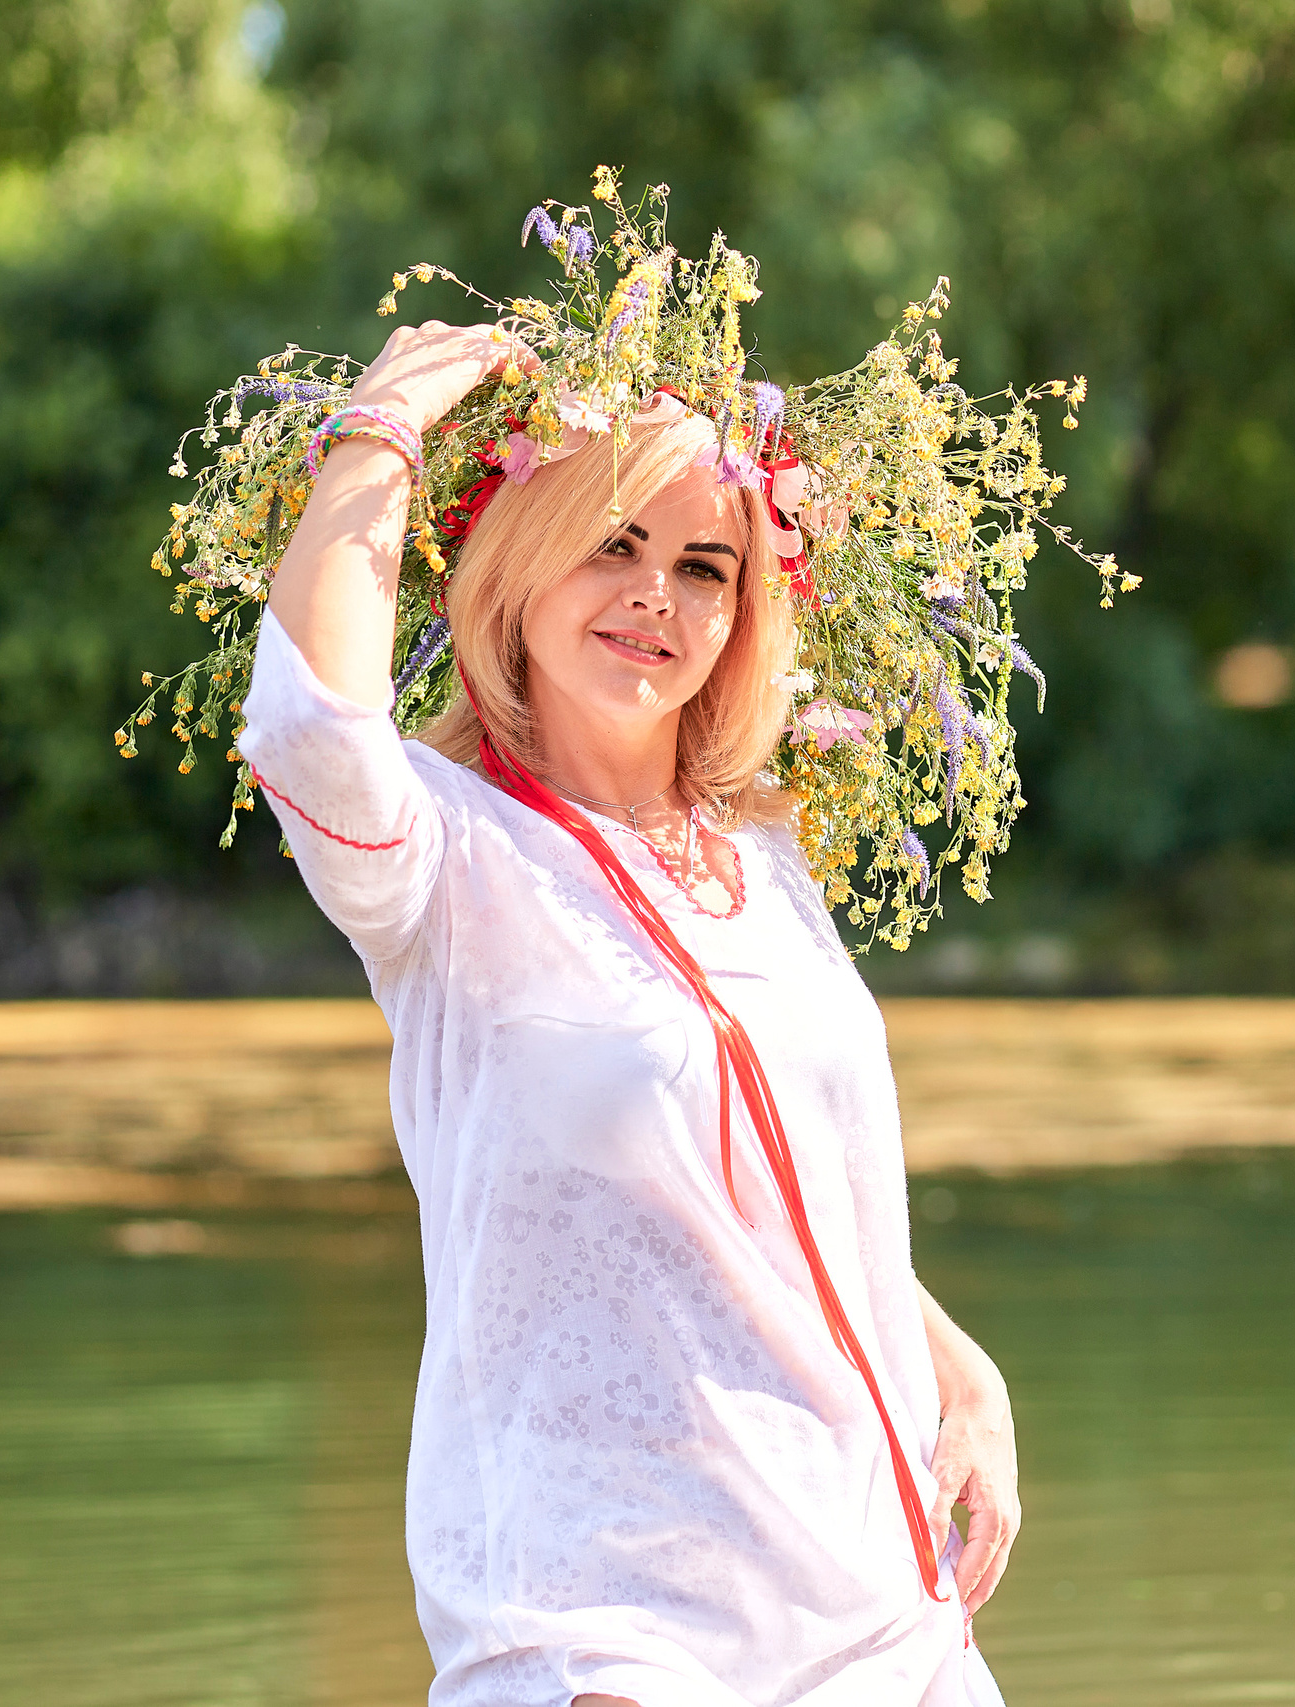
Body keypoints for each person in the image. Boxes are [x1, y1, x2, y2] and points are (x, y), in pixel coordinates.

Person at [240, 313, 1021, 1706]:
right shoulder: (447, 863)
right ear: (521, 567)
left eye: (703, 565)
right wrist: (380, 429)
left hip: (873, 1610)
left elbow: (766, 1189)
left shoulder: (765, 858)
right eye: (613, 543)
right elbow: (311, 731)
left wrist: (955, 1366)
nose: (656, 594)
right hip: (606, 1634)